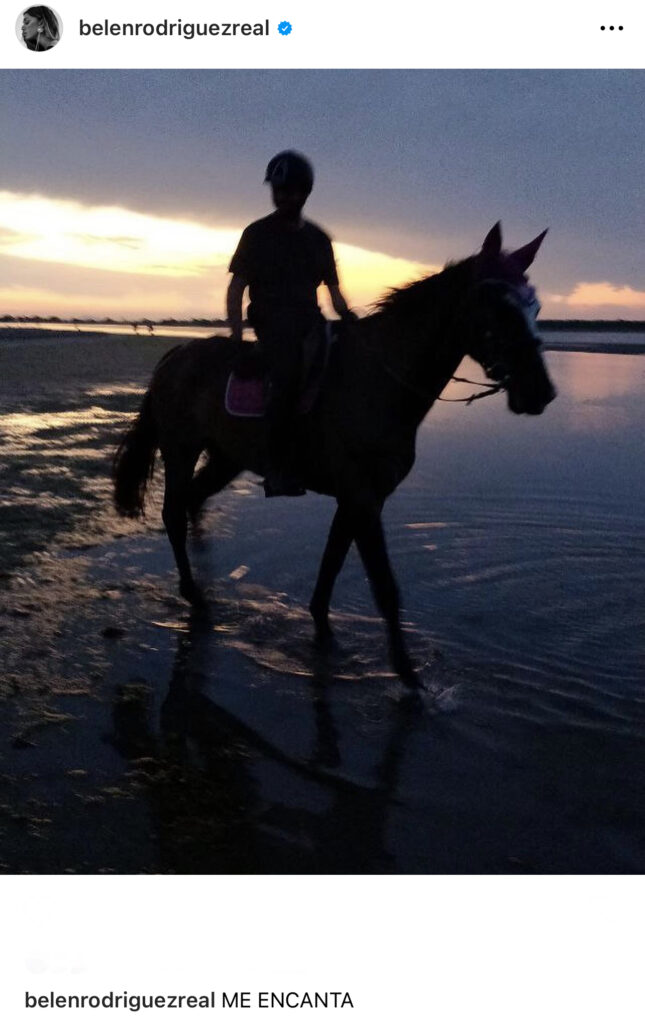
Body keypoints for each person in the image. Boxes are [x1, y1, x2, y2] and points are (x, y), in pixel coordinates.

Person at [227, 150, 355, 497]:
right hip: (272, 321)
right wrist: (237, 339)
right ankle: (277, 467)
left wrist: (350, 319)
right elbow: (237, 287)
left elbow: (334, 292)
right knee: (286, 376)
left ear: (305, 192)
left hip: (309, 321)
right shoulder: (256, 234)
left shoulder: (319, 239)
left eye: (292, 190)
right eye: (279, 190)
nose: (284, 197)